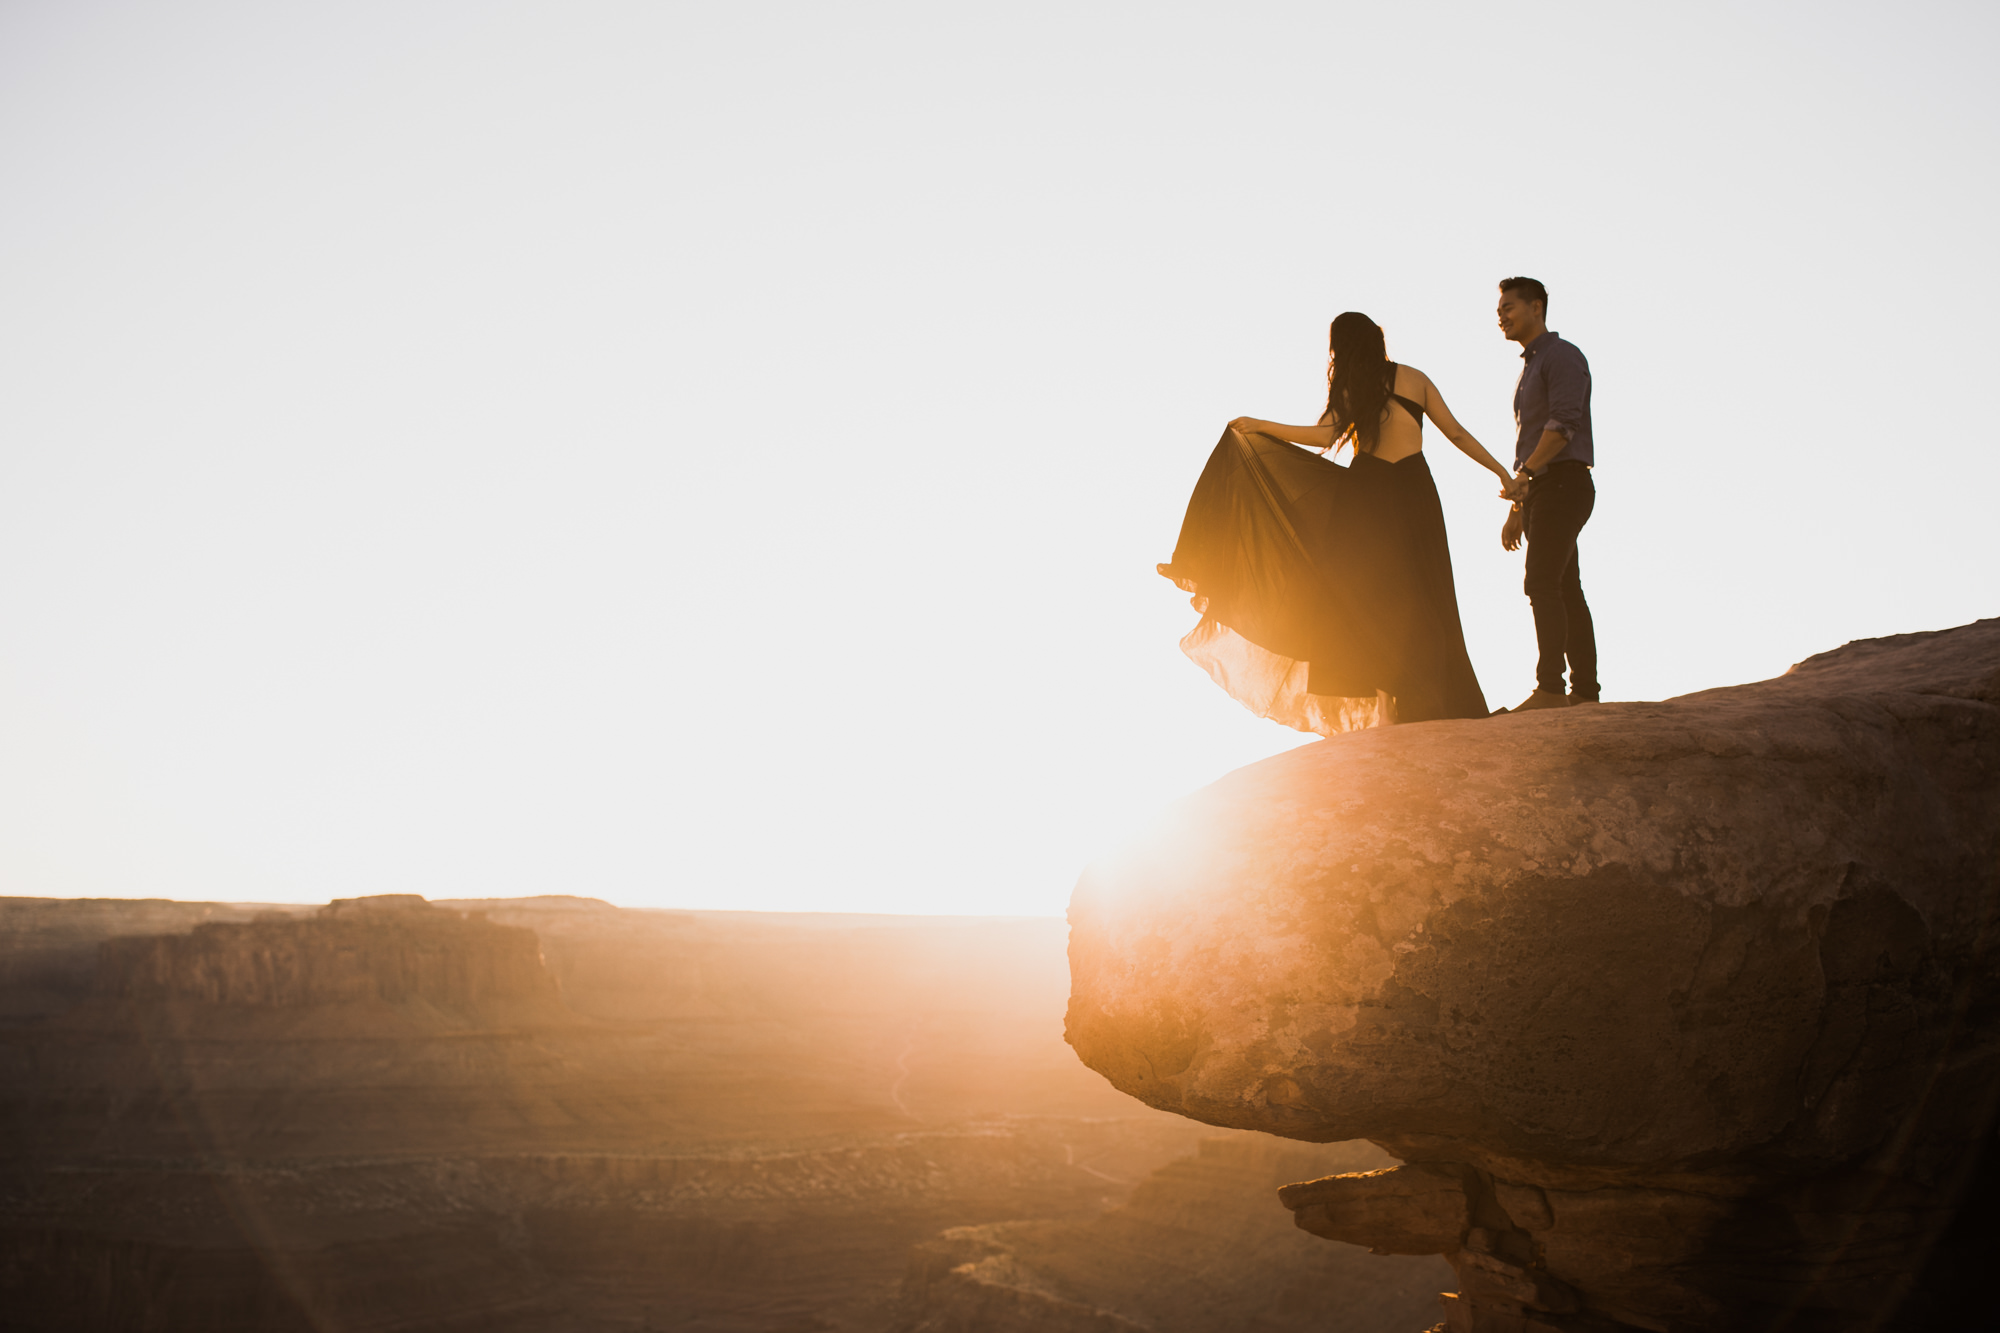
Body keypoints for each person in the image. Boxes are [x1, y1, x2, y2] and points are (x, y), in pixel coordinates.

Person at [1157, 311, 1520, 735]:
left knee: (1368, 597)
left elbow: (1323, 437)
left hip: (1368, 495)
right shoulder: (1414, 378)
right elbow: (1455, 433)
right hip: (1413, 492)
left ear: (1342, 348)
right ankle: (1402, 702)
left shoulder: (1353, 385)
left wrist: (1260, 425)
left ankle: (1388, 707)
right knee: (1426, 592)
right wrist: (1502, 473)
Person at [1495, 277, 1599, 711]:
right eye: (1499, 310)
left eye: (1509, 307)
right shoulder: (1530, 366)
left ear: (1536, 307)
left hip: (1564, 483)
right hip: (1543, 489)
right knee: (1564, 587)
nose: (1501, 315)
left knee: (1542, 581)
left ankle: (1551, 690)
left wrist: (1528, 474)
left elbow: (1563, 424)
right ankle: (1585, 694)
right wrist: (1520, 504)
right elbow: (1537, 440)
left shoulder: (1561, 356)